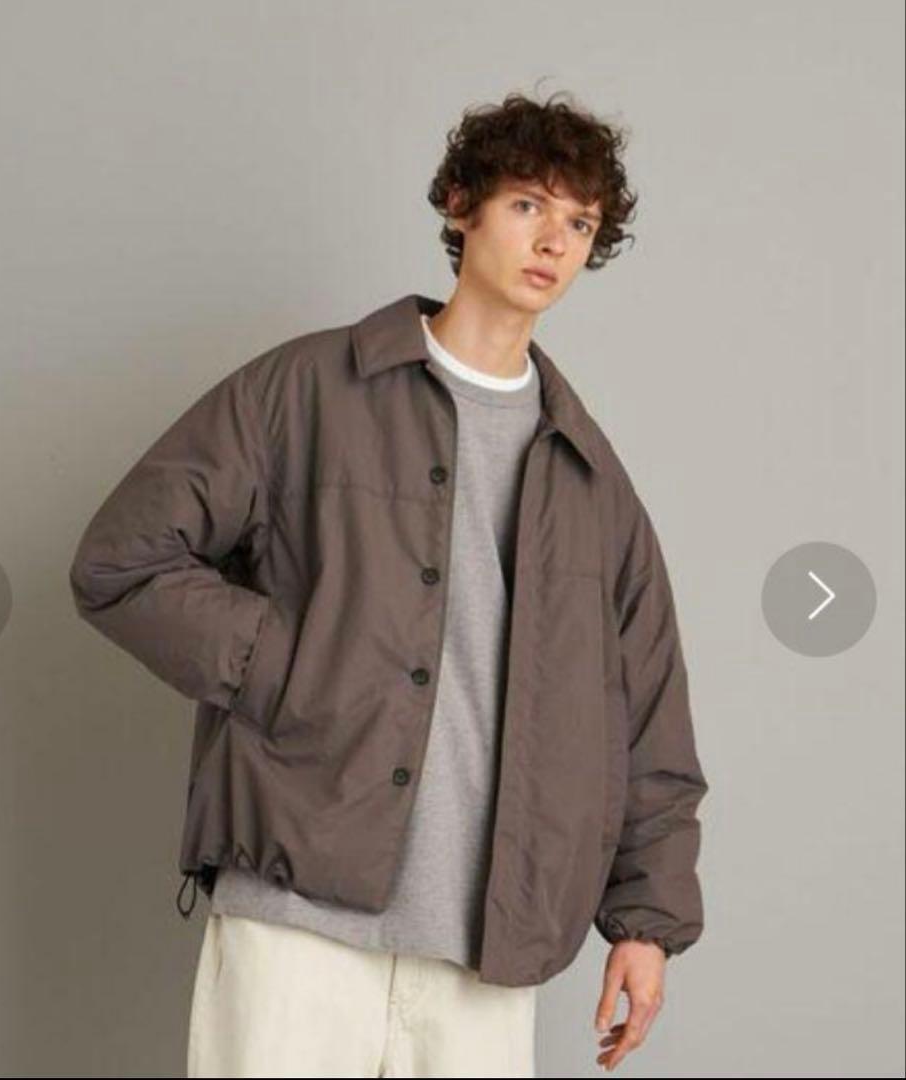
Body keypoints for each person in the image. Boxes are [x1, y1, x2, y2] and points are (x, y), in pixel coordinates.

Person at [69, 88, 708, 1078]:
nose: (555, 241)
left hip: (487, 946)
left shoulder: (590, 476)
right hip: (298, 920)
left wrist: (647, 923)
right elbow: (123, 558)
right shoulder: (308, 391)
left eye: (581, 223)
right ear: (461, 205)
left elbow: (649, 716)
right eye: (528, 206)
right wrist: (291, 669)